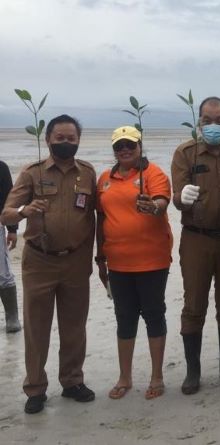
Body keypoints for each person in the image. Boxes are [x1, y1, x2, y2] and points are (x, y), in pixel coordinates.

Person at [1, 115, 97, 414]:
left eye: (71, 138)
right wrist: (25, 210)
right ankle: (35, 388)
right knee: (37, 328)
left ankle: (71, 381)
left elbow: (99, 214)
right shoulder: (32, 173)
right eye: (60, 138)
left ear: (78, 140)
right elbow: (6, 214)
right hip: (39, 261)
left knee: (74, 326)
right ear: (48, 139)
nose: (66, 143)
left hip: (77, 261)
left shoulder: (88, 173)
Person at [171, 96, 220, 394]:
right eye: (208, 120)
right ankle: (193, 370)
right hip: (196, 239)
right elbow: (177, 195)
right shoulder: (185, 153)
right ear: (198, 121)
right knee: (194, 306)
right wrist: (181, 198)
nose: (214, 126)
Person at [95, 126, 173, 400]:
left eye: (130, 144)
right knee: (124, 318)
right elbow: (101, 219)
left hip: (152, 261)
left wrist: (153, 206)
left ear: (140, 145)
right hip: (117, 263)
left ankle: (157, 376)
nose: (124, 150)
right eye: (119, 146)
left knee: (153, 315)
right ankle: (125, 376)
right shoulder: (105, 178)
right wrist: (100, 257)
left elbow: (162, 201)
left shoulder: (153, 174)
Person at [0, 159, 21, 333]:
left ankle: (12, 316)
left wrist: (12, 229)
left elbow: (9, 199)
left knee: (3, 272)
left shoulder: (1, 167)